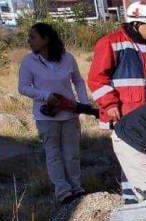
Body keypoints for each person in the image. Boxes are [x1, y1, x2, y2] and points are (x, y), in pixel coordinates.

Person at [87, 0, 146, 204]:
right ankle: (134, 206)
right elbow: (97, 78)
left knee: (143, 161)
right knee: (131, 161)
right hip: (126, 116)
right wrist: (110, 104)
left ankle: (141, 203)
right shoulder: (111, 43)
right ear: (136, 24)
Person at [18, 22, 89, 204]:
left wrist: (84, 103)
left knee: (72, 153)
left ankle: (76, 187)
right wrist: (45, 96)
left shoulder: (68, 58)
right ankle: (63, 191)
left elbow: (78, 81)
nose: (29, 40)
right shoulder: (28, 61)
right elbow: (23, 87)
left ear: (46, 39)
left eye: (33, 37)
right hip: (46, 116)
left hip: (69, 114)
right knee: (53, 154)